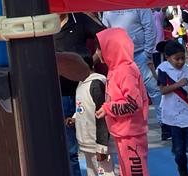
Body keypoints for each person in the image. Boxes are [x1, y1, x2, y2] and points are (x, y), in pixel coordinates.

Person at [53, 12, 104, 176]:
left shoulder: (79, 18)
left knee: (95, 142)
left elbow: (105, 36)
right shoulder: (44, 24)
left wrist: (92, 60)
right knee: (69, 149)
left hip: (85, 89)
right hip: (60, 92)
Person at [94, 27, 150, 176]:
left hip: (131, 133)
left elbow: (133, 104)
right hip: (123, 132)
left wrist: (108, 108)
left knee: (135, 171)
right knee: (127, 170)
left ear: (111, 48)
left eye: (100, 49)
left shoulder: (125, 70)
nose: (97, 53)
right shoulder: (115, 69)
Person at [101, 8, 164, 135]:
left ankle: (165, 123)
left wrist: (147, 52)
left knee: (153, 89)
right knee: (124, 94)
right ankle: (128, 126)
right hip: (119, 58)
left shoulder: (139, 5)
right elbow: (106, 31)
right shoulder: (108, 8)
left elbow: (150, 28)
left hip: (139, 54)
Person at [156, 40, 188, 176]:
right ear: (168, 58)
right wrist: (178, 84)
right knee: (179, 149)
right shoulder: (163, 69)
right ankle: (183, 171)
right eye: (177, 59)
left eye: (183, 58)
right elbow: (163, 90)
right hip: (173, 115)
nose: (181, 61)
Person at [74, 55, 113, 176]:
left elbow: (102, 116)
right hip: (86, 142)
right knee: (92, 172)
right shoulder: (81, 83)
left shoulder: (96, 84)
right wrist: (75, 118)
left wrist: (102, 146)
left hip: (97, 143)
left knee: (105, 172)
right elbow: (84, 105)